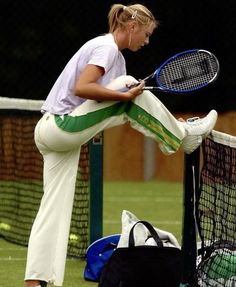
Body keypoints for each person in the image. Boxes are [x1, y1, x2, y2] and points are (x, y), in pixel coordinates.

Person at [24, 3, 218, 287]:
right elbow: (84, 87)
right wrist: (127, 97)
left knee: (53, 207)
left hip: (53, 135)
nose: (147, 41)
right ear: (132, 27)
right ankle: (182, 135)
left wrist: (126, 99)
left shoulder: (115, 58)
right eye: (147, 34)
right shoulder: (107, 48)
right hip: (60, 127)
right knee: (127, 86)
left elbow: (102, 104)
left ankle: (34, 281)